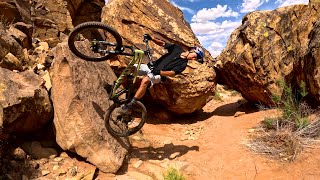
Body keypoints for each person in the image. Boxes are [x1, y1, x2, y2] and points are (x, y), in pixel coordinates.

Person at [117, 34, 204, 114]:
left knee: (145, 80)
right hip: (150, 66)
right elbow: (163, 44)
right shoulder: (177, 48)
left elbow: (172, 73)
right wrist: (151, 38)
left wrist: (159, 72)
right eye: (195, 56)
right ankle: (115, 86)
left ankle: (129, 106)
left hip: (158, 75)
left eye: (195, 59)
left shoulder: (183, 65)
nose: (193, 59)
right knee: (129, 68)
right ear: (192, 50)